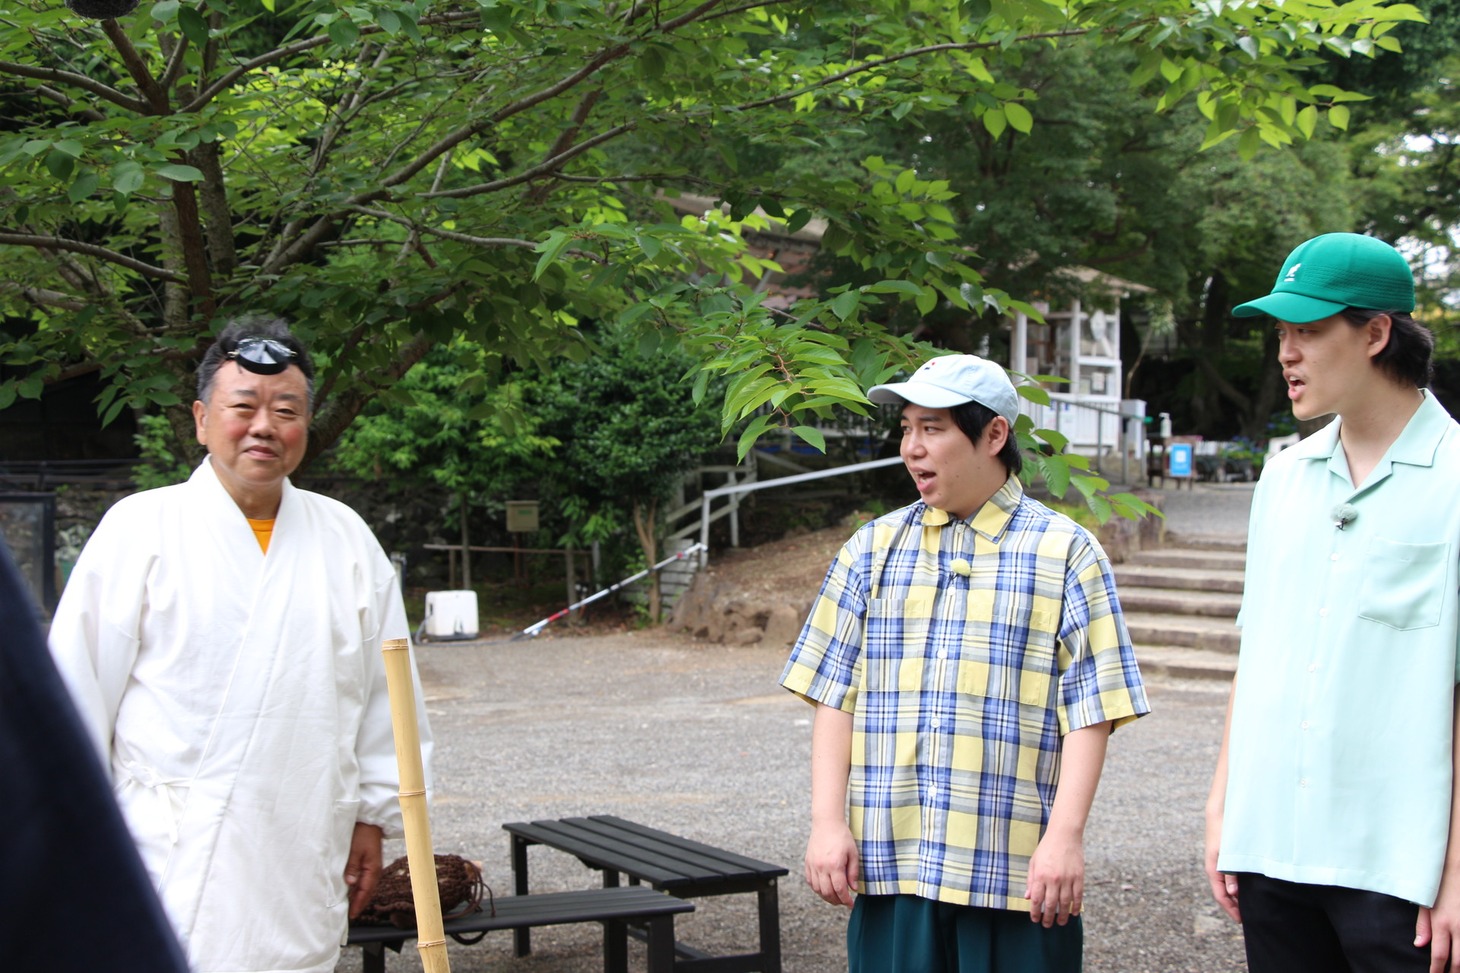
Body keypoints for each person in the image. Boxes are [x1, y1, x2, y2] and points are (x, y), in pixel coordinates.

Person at [47, 317, 431, 973]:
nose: (264, 426)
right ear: (201, 418)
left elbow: (385, 699)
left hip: (301, 841)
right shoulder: (140, 530)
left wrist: (371, 817)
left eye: (286, 410)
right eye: (243, 407)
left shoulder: (347, 540)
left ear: (305, 425)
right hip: (166, 853)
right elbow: (74, 695)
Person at [780, 353, 1150, 972]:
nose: (911, 449)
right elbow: (833, 692)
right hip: (892, 865)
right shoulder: (872, 549)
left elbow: (1093, 706)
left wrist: (1064, 838)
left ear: (994, 435)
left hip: (1015, 876)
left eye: (932, 429)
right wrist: (826, 822)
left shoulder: (1065, 552)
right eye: (906, 429)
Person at [1205, 232, 1460, 973]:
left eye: (1309, 330)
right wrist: (1225, 808)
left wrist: (1454, 870)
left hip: (1400, 875)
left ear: (1377, 332)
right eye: (1282, 332)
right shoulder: (1282, 478)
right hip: (1272, 856)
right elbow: (1257, 655)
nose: (1287, 352)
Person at [0, 538, 190, 973]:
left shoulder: (341, 533)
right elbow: (80, 680)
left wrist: (370, 805)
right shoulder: (139, 529)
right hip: (167, 818)